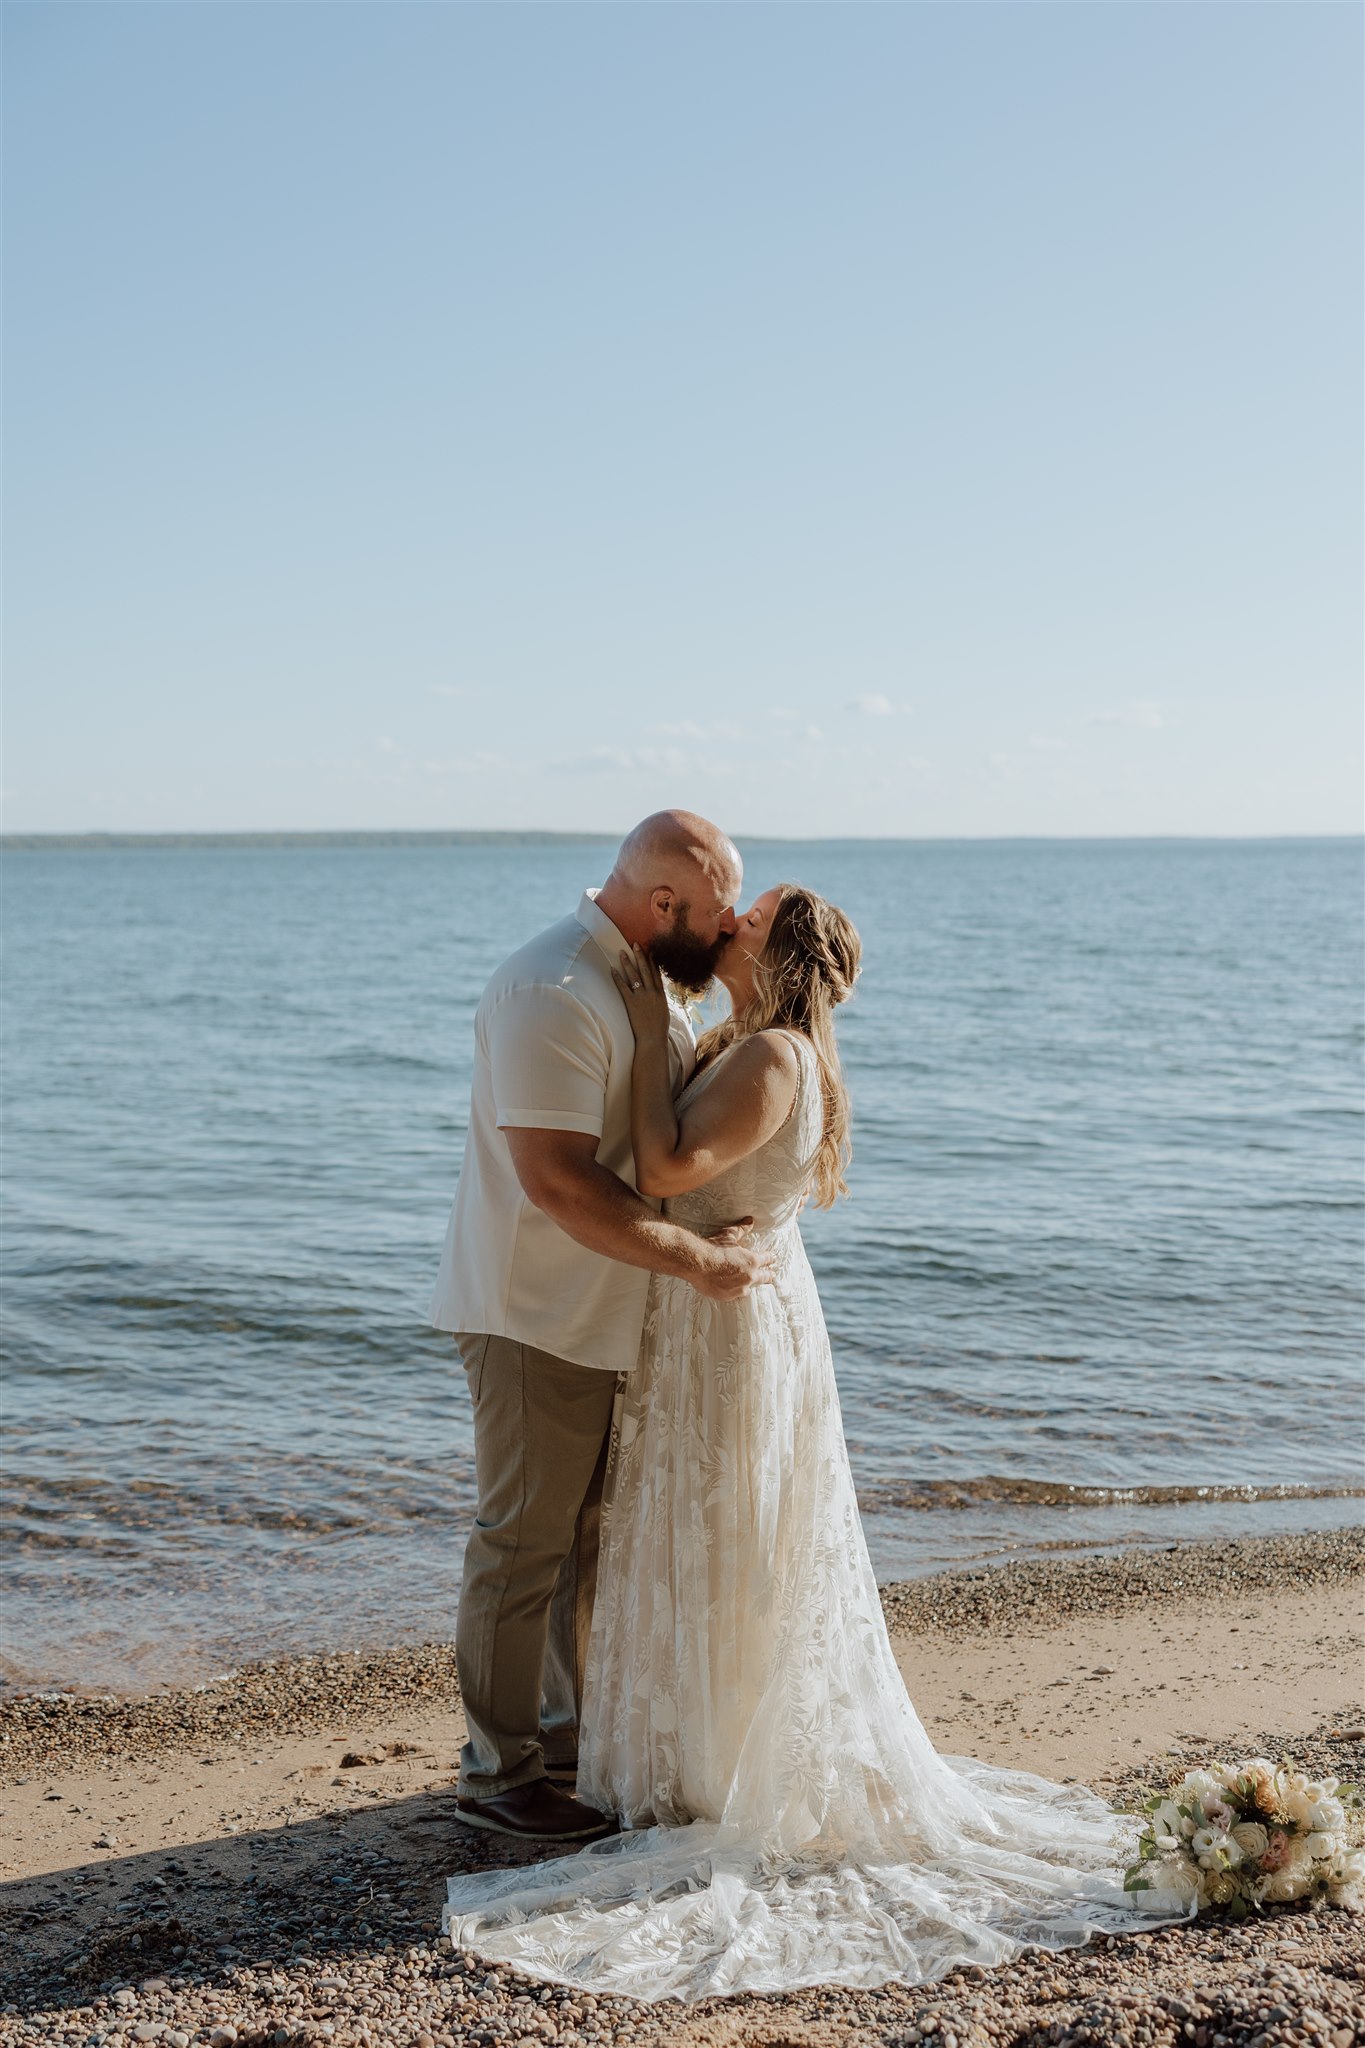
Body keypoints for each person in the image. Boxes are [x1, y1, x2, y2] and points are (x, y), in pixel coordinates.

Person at [442, 882, 1184, 1996]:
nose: (728, 915)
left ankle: (676, 1754)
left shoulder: (772, 1057)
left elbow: (663, 1166)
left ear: (773, 947)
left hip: (724, 1320)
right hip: (721, 1312)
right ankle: (665, 1737)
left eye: (749, 910)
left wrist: (647, 1031)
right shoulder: (753, 1041)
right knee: (709, 1529)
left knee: (723, 1528)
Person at [428, 810, 775, 1845]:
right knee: (521, 1542)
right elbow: (554, 1181)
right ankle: (499, 1773)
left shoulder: (640, 977)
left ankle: (562, 1745)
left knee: (579, 1541)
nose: (721, 936)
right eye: (714, 917)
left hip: (604, 1309)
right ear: (662, 903)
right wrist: (703, 1262)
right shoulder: (554, 990)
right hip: (535, 1310)